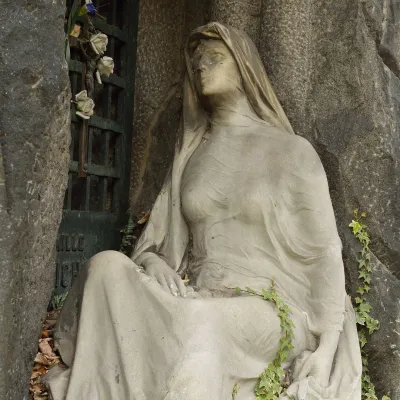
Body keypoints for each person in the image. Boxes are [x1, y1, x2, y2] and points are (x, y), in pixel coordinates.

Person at [47, 22, 361, 400]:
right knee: (106, 267)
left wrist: (327, 348)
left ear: (244, 67)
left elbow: (325, 253)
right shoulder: (190, 157)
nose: (201, 67)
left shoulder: (293, 152)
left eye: (215, 58)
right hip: (199, 294)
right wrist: (153, 263)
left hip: (271, 309)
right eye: (196, 62)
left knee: (200, 324)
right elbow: (156, 244)